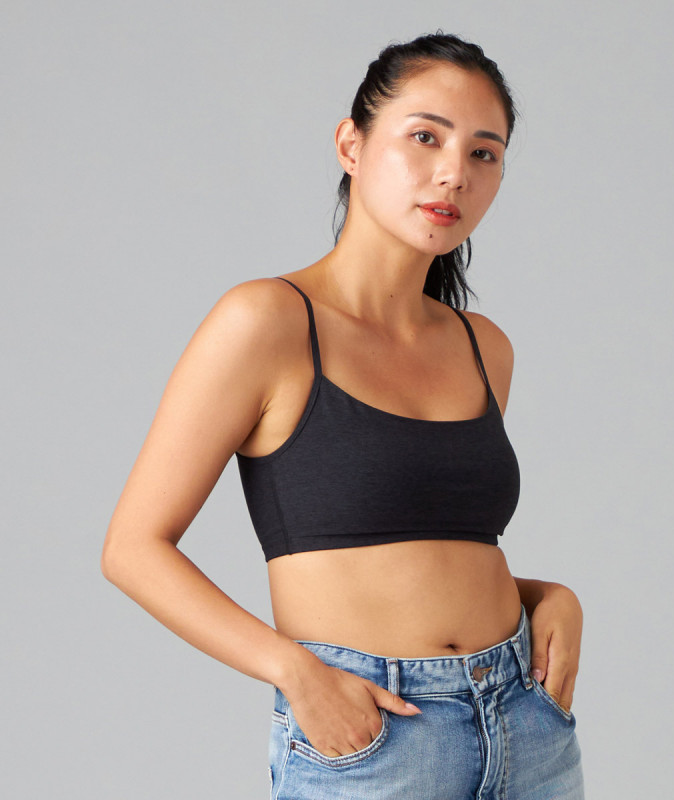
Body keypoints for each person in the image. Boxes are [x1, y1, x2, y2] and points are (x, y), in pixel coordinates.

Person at [102, 32, 585, 800]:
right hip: (379, 736)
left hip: (524, 723)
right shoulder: (267, 322)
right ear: (351, 145)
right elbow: (132, 549)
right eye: (425, 137)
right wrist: (294, 671)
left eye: (483, 153)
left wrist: (545, 597)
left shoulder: (483, 347)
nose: (454, 172)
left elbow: (433, 550)